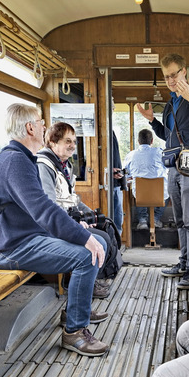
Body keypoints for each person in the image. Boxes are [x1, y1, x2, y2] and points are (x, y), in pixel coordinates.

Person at [0, 104, 110, 358]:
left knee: (99, 242)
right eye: (41, 122)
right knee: (87, 253)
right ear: (30, 128)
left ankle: (75, 310)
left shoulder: (21, 158)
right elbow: (43, 209)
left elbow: (42, 210)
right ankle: (74, 331)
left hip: (26, 236)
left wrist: (84, 234)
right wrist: (82, 236)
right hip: (11, 247)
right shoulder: (15, 161)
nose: (44, 126)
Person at [137, 53, 189, 289]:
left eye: (174, 74)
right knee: (180, 220)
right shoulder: (172, 102)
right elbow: (169, 137)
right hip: (174, 166)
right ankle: (183, 263)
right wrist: (153, 121)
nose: (171, 80)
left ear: (185, 72)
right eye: (166, 76)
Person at [36, 122, 122, 301]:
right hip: (56, 225)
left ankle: (92, 280)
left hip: (69, 217)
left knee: (107, 226)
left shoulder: (64, 165)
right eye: (67, 141)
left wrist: (94, 214)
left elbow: (72, 198)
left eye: (74, 142)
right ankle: (83, 284)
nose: (73, 146)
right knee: (102, 239)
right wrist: (75, 223)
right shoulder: (44, 165)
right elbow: (49, 206)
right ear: (52, 142)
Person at [123, 128, 168, 230]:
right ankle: (156, 219)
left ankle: (142, 220)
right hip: (159, 193)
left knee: (138, 189)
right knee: (167, 191)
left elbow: (125, 171)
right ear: (152, 141)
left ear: (138, 142)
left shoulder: (131, 155)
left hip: (141, 194)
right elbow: (167, 168)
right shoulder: (160, 153)